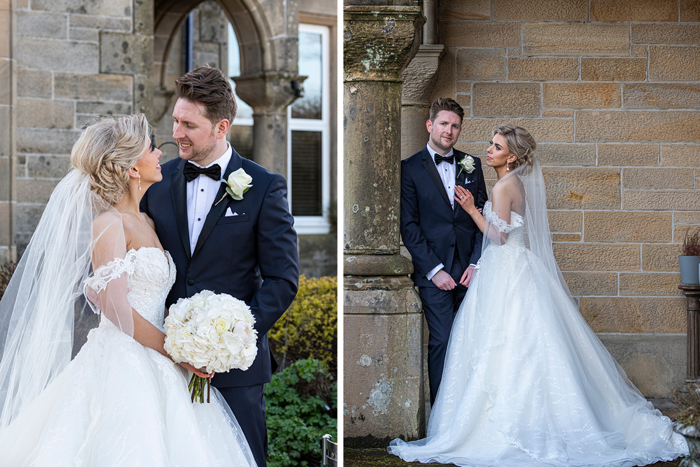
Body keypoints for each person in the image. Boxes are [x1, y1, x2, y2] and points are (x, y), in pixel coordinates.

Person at [389, 124, 688, 466]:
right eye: (490, 144)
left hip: (507, 267)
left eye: (496, 146)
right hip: (511, 268)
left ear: (511, 156)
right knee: (522, 342)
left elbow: (499, 237)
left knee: (511, 342)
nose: (488, 150)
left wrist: (472, 209)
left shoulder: (504, 186)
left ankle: (511, 425)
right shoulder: (511, 182)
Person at [0, 114, 257, 466]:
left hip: (160, 353)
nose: (159, 154)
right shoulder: (108, 224)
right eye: (151, 149)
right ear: (132, 168)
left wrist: (192, 335)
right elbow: (116, 309)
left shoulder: (147, 220)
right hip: (124, 360)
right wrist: (176, 352)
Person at [140, 65, 299, 467]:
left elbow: (282, 279)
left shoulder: (263, 186)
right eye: (176, 120)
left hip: (236, 371)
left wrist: (230, 340)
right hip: (164, 366)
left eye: (188, 125)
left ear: (221, 126)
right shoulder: (157, 182)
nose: (176, 133)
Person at [400, 97, 488, 404]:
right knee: (442, 340)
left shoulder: (473, 165)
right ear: (430, 125)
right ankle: (442, 414)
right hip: (434, 275)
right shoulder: (409, 169)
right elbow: (409, 227)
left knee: (474, 342)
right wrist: (435, 271)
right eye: (443, 124)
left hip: (470, 273)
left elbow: (484, 218)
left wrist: (476, 264)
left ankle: (471, 413)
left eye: (455, 126)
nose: (448, 131)